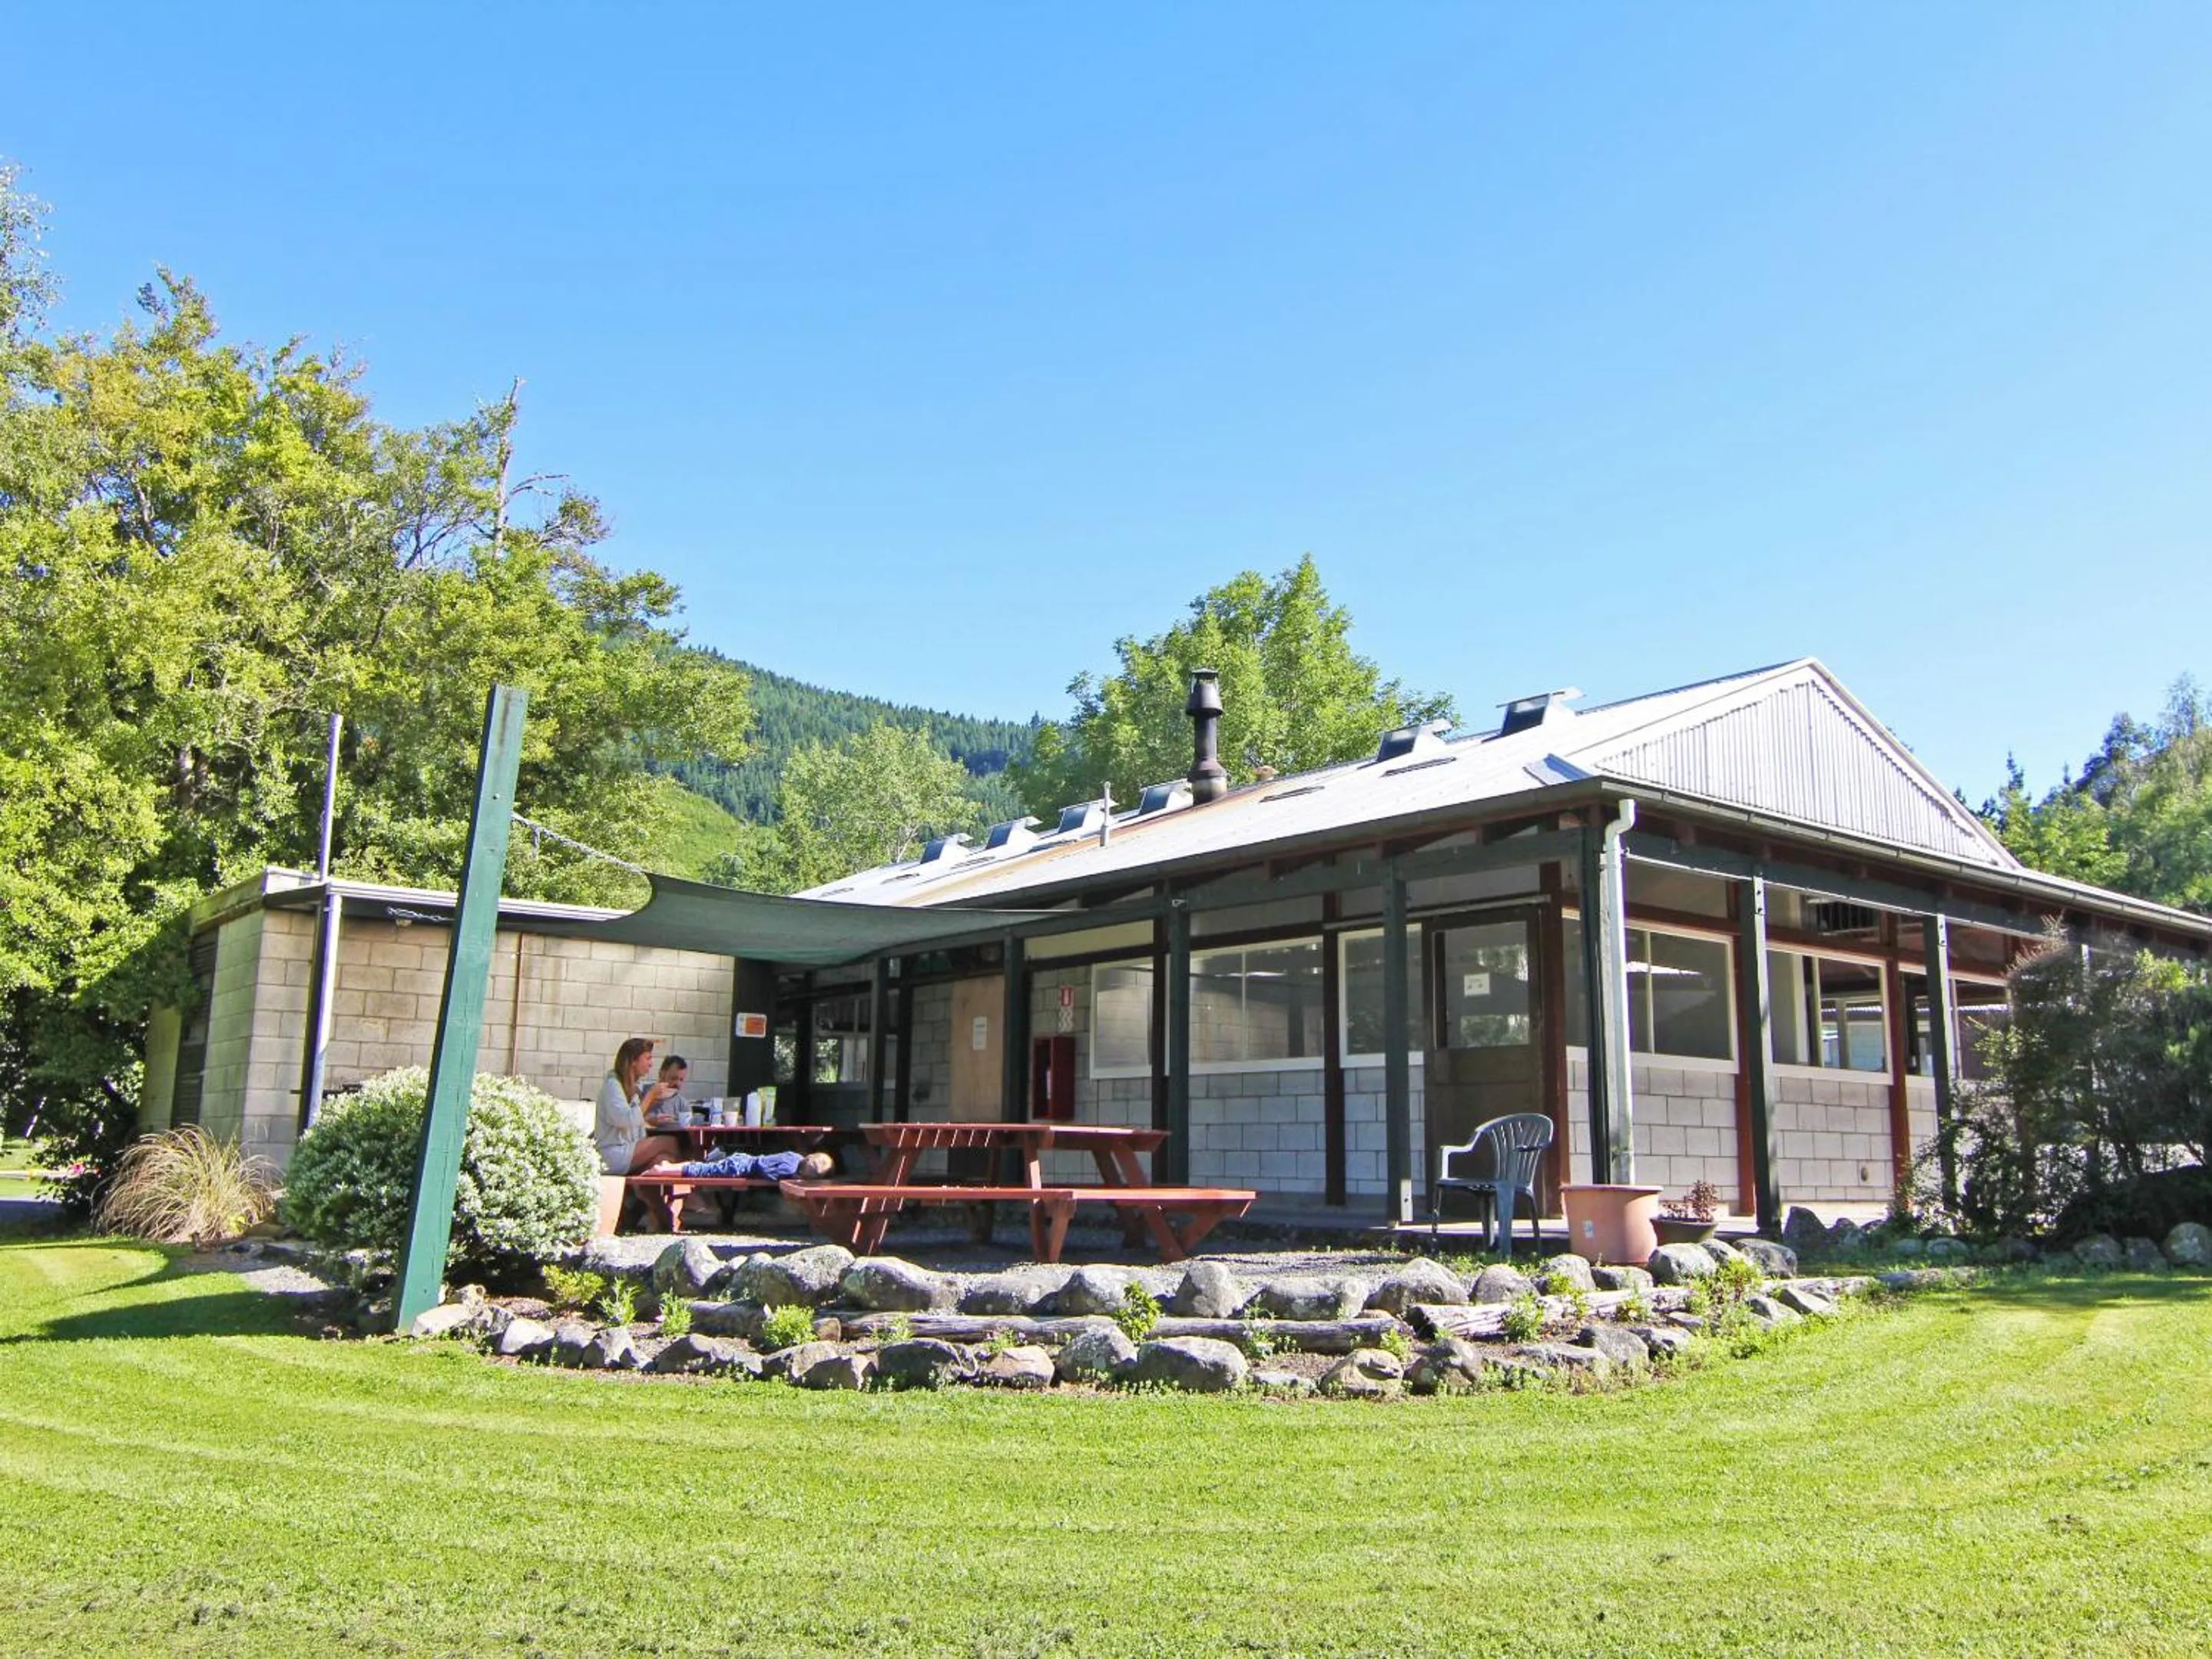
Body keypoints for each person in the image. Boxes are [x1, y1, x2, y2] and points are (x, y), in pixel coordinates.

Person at [595, 1038, 683, 1179]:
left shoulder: (630, 1086)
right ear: (633, 1061)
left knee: (662, 1160)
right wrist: (650, 1095)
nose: (651, 1064)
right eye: (648, 1058)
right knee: (671, 1143)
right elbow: (625, 1120)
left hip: (628, 1149)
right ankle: (698, 1175)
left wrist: (651, 1115)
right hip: (613, 1154)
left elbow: (633, 1118)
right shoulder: (613, 1086)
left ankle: (644, 1191)